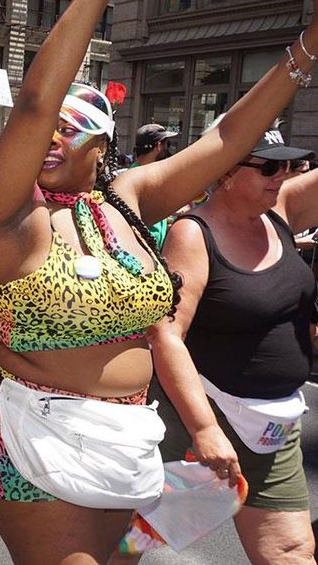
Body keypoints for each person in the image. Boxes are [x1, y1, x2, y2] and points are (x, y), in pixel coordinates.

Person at [0, 0, 318, 559]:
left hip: (125, 443)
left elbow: (230, 137)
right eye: (45, 130)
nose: (50, 137)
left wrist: (311, 43)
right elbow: (35, 105)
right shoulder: (12, 221)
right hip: (35, 441)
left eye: (73, 128)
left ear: (102, 143)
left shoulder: (127, 202)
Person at [146, 128, 318, 564]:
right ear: (223, 173)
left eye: (287, 165)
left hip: (273, 425)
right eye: (268, 166)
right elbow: (167, 333)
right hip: (200, 419)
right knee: (133, 541)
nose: (282, 175)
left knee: (291, 551)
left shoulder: (280, 210)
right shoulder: (191, 234)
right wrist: (205, 430)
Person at [130, 123, 181, 249]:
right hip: (147, 252)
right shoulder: (144, 178)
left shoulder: (135, 174)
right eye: (166, 144)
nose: (167, 149)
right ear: (158, 146)